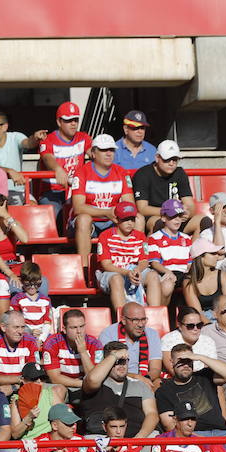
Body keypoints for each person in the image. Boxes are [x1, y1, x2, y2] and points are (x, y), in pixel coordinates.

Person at [69, 134, 134, 266]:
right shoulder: (81, 172)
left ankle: (132, 265)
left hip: (113, 220)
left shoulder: (122, 172)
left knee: (136, 218)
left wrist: (114, 213)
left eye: (111, 150)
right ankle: (84, 270)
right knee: (83, 219)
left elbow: (130, 205)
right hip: (89, 222)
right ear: (93, 153)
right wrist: (106, 212)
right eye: (104, 150)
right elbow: (78, 207)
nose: (109, 153)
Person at [78, 342, 158, 438]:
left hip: (135, 440)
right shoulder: (97, 381)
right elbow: (92, 380)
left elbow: (152, 414)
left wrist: (139, 438)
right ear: (107, 361)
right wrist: (114, 356)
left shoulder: (140, 385)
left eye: (124, 361)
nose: (122, 365)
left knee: (154, 436)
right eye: (117, 361)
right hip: (100, 438)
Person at [156, 344, 226, 432]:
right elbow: (169, 426)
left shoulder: (205, 376)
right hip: (193, 436)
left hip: (221, 432)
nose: (186, 365)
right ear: (172, 362)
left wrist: (200, 357)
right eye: (181, 361)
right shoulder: (164, 391)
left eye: (189, 360)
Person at [36, 101, 91, 218]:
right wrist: (57, 169)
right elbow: (47, 158)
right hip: (52, 192)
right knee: (53, 216)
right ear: (59, 122)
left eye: (76, 120)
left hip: (77, 190)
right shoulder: (48, 139)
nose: (73, 124)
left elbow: (94, 152)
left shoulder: (83, 137)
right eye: (68, 120)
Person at [95, 200, 152, 309]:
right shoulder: (105, 236)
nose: (130, 223)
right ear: (116, 219)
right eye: (125, 219)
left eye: (132, 219)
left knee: (153, 276)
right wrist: (126, 272)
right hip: (112, 273)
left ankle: (155, 316)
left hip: (133, 271)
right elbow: (106, 265)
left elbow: (144, 261)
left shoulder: (140, 236)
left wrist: (137, 270)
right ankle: (122, 317)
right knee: (117, 278)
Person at [131, 140, 194, 227]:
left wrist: (187, 212)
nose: (171, 163)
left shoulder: (180, 173)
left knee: (203, 221)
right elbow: (142, 209)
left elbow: (190, 204)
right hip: (154, 217)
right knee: (159, 223)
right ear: (157, 158)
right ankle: (154, 240)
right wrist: (170, 211)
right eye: (167, 159)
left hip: (177, 216)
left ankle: (190, 241)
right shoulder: (143, 174)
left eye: (175, 160)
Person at [97, 303, 161, 383]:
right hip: (115, 380)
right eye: (135, 320)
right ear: (124, 320)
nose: (141, 325)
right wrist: (135, 377)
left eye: (143, 319)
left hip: (145, 379)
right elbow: (107, 368)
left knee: (158, 384)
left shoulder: (152, 334)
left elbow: (156, 369)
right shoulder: (108, 334)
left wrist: (145, 379)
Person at [41, 308, 98, 396]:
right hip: (63, 385)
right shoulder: (52, 343)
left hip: (87, 387)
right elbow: (54, 378)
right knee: (57, 390)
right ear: (64, 329)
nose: (79, 331)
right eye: (74, 327)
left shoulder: (95, 343)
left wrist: (83, 352)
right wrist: (81, 383)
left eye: (82, 326)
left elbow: (94, 378)